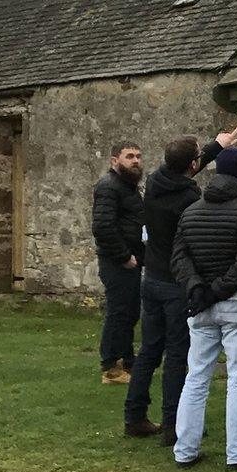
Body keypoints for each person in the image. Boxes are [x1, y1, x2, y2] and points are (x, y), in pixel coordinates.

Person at [170, 148, 237, 470]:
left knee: (196, 378)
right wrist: (214, 290)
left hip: (202, 303)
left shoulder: (190, 212)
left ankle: (185, 450)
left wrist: (198, 288)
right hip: (236, 302)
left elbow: (179, 257)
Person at [129, 129, 235, 442]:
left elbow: (184, 168)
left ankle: (134, 416)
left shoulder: (154, 181)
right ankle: (174, 424)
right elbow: (189, 173)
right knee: (177, 355)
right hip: (176, 283)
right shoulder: (189, 200)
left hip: (152, 279)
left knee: (149, 350)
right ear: (192, 165)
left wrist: (216, 146)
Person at [91, 142, 145, 385]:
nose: (135, 161)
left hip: (132, 259)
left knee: (130, 310)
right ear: (115, 161)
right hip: (117, 261)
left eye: (138, 156)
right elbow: (102, 226)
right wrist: (123, 256)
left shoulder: (129, 187)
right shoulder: (109, 186)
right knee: (119, 311)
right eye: (129, 157)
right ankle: (110, 367)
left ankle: (127, 361)